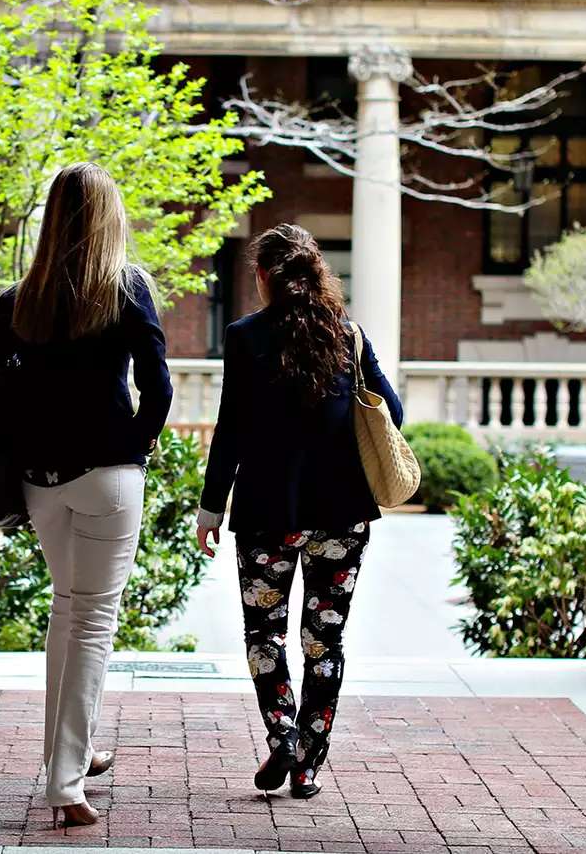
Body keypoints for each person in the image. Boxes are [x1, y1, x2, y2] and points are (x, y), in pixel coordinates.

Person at [0, 162, 172, 829]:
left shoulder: (20, 297)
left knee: (67, 612)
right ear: (110, 217)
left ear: (53, 219)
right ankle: (65, 778)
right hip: (109, 474)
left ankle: (70, 752)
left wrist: (33, 407)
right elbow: (159, 387)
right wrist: (136, 448)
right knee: (92, 621)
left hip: (41, 482)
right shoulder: (127, 287)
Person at [194, 223, 403, 800]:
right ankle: (309, 763)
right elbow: (393, 414)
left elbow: (229, 432)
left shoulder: (244, 337)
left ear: (262, 276)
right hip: (343, 516)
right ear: (316, 275)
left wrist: (211, 508)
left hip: (267, 515)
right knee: (323, 642)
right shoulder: (348, 336)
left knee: (264, 635)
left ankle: (283, 735)